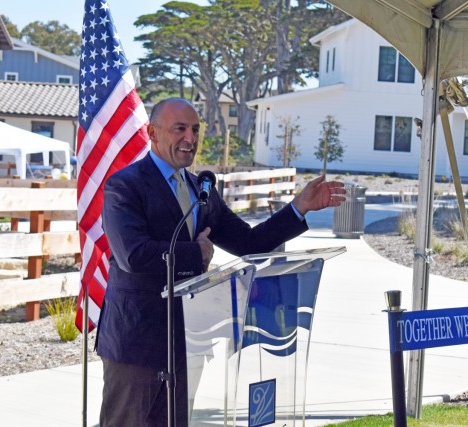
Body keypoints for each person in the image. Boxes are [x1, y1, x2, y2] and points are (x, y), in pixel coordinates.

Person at [97, 97, 346, 427]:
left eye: (195, 130)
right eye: (180, 129)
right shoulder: (125, 185)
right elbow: (132, 255)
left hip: (186, 338)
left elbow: (249, 243)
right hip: (137, 341)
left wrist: (298, 207)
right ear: (152, 133)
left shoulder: (200, 189)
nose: (190, 138)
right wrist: (196, 253)